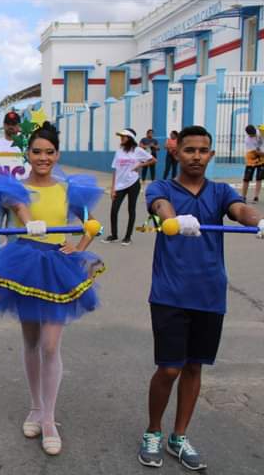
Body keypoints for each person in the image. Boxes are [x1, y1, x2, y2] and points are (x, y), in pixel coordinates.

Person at [0, 122, 104, 456]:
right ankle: (35, 407)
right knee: (31, 341)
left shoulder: (69, 188)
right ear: (27, 154)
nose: (43, 158)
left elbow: (91, 224)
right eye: (37, 152)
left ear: (57, 155)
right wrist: (30, 223)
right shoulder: (15, 188)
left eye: (49, 152)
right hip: (24, 265)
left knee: (50, 344)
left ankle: (49, 419)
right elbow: (18, 207)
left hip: (57, 265)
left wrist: (78, 247)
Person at [138, 125, 264, 471]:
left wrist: (259, 220)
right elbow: (161, 207)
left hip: (210, 293)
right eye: (189, 150)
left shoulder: (221, 191)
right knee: (169, 368)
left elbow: (241, 211)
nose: (196, 156)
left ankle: (179, 436)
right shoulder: (162, 187)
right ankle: (153, 431)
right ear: (176, 153)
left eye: (203, 150)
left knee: (194, 366)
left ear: (211, 154)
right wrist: (175, 220)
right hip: (170, 292)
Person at [103, 128, 155, 246]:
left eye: (123, 136)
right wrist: (113, 188)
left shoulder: (137, 150)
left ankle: (127, 237)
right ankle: (114, 235)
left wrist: (140, 165)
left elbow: (153, 160)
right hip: (119, 185)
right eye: (120, 136)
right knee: (114, 210)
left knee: (131, 210)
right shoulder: (119, 151)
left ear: (130, 138)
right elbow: (115, 170)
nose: (121, 138)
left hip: (133, 183)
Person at [0, 110, 23, 250]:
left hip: (15, 194)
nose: (11, 126)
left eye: (14, 124)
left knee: (12, 233)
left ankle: (11, 259)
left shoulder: (24, 144)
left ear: (18, 126)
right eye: (8, 123)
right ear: (4, 125)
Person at [241, 124, 263, 203]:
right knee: (246, 179)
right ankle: (243, 196)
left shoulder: (260, 133)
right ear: (248, 134)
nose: (253, 135)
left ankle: (256, 197)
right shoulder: (248, 140)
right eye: (251, 134)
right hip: (251, 158)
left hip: (262, 159)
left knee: (259, 178)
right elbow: (256, 152)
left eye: (254, 133)